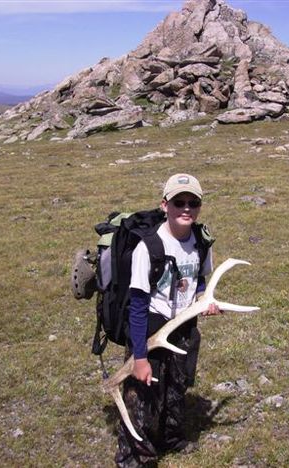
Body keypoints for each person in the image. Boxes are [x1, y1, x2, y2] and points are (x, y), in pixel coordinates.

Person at [115, 173, 221, 467]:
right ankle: (136, 457)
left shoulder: (201, 240)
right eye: (179, 202)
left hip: (184, 327)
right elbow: (137, 306)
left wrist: (204, 300)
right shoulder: (147, 248)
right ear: (165, 205)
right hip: (150, 329)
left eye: (193, 202)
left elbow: (200, 279)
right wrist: (139, 356)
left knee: (176, 387)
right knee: (143, 395)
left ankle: (170, 438)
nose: (186, 208)